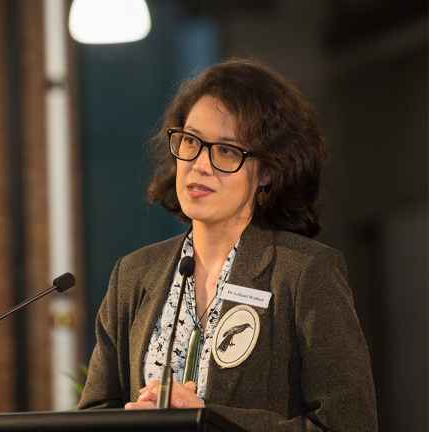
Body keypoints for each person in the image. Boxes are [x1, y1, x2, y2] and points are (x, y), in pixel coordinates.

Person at [78, 59, 378, 431]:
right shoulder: (134, 275)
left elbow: (349, 423)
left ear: (267, 170)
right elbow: (95, 414)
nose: (200, 165)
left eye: (225, 151)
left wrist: (208, 419)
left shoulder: (303, 273)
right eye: (191, 141)